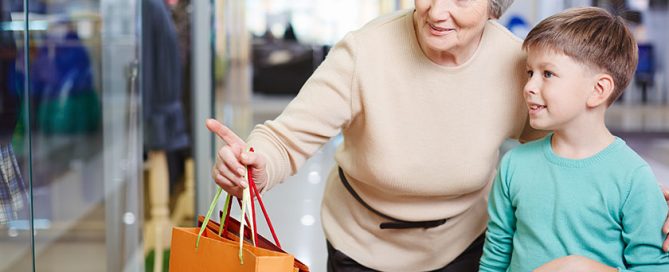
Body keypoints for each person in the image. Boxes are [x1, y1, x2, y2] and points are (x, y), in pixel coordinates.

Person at [205, 1, 669, 271]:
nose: (436, 10)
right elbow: (285, 140)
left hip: (465, 247)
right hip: (360, 245)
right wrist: (256, 162)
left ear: (492, 7)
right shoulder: (365, 52)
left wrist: (651, 202)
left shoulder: (516, 65)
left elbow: (572, 147)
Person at [479, 7, 669, 271]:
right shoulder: (513, 166)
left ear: (598, 90)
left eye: (547, 74)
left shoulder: (633, 178)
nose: (529, 87)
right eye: (529, 73)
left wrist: (581, 268)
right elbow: (495, 257)